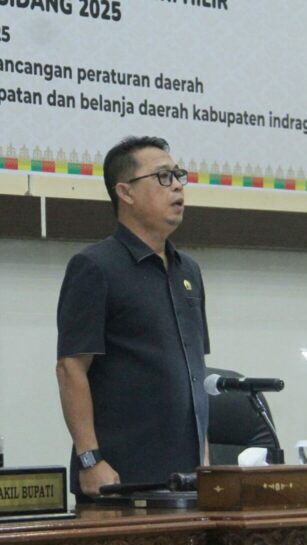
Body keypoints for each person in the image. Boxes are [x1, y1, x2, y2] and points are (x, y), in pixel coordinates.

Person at [56, 136, 210, 499]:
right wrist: (90, 460)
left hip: (188, 478)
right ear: (125, 192)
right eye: (162, 177)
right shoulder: (95, 267)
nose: (177, 186)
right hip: (121, 478)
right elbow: (70, 368)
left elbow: (195, 373)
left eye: (178, 175)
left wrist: (205, 460)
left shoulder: (189, 270)